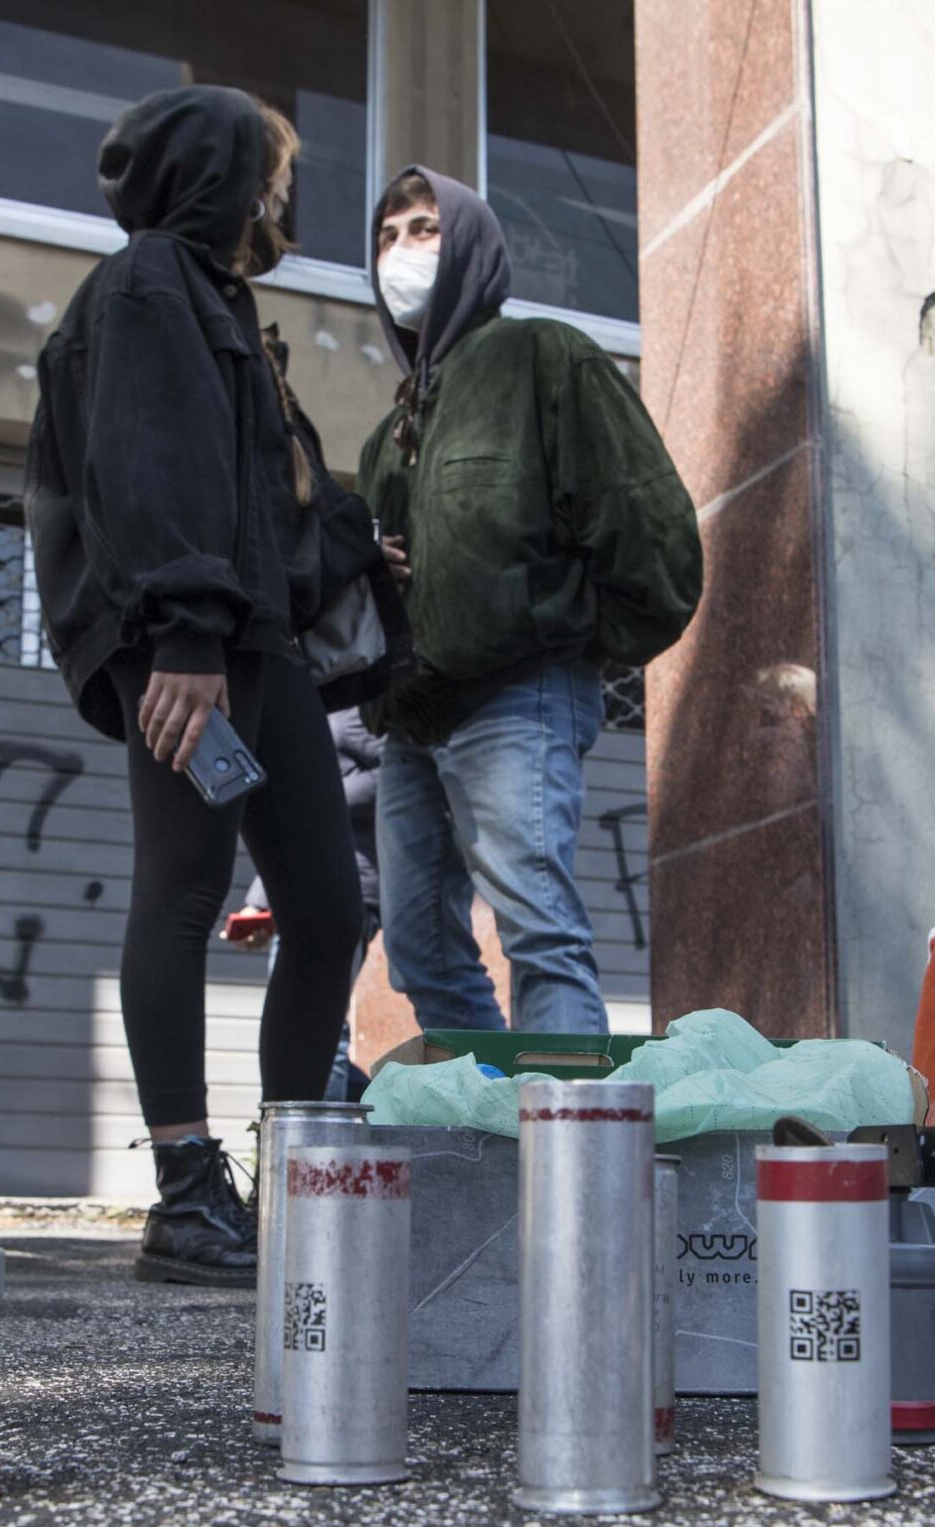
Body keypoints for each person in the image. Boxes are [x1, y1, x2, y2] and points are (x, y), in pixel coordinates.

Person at [27, 87, 363, 1286]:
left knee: (328, 906)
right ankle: (184, 1193)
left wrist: (363, 544)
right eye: (271, 170)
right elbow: (153, 466)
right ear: (216, 171)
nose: (284, 195)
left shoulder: (222, 303)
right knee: (182, 892)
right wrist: (182, 638)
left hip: (249, 639)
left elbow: (266, 493)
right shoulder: (149, 285)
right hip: (194, 642)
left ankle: (293, 1176)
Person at [360, 166, 700, 1036]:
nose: (402, 250)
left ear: (472, 242)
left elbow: (648, 524)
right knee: (419, 949)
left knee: (540, 935)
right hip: (411, 719)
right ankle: (497, 1132)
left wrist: (569, 635)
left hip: (519, 696)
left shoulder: (544, 356)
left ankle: (566, 1162)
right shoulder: (390, 431)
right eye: (388, 235)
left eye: (425, 228)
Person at [222, 706, 384, 1099]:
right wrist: (257, 905)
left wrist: (316, 796)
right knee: (298, 1027)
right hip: (294, 891)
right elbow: (292, 830)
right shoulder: (307, 704)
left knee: (320, 1028)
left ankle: (315, 1148)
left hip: (349, 887)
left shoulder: (359, 708)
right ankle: (321, 1128)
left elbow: (394, 776)